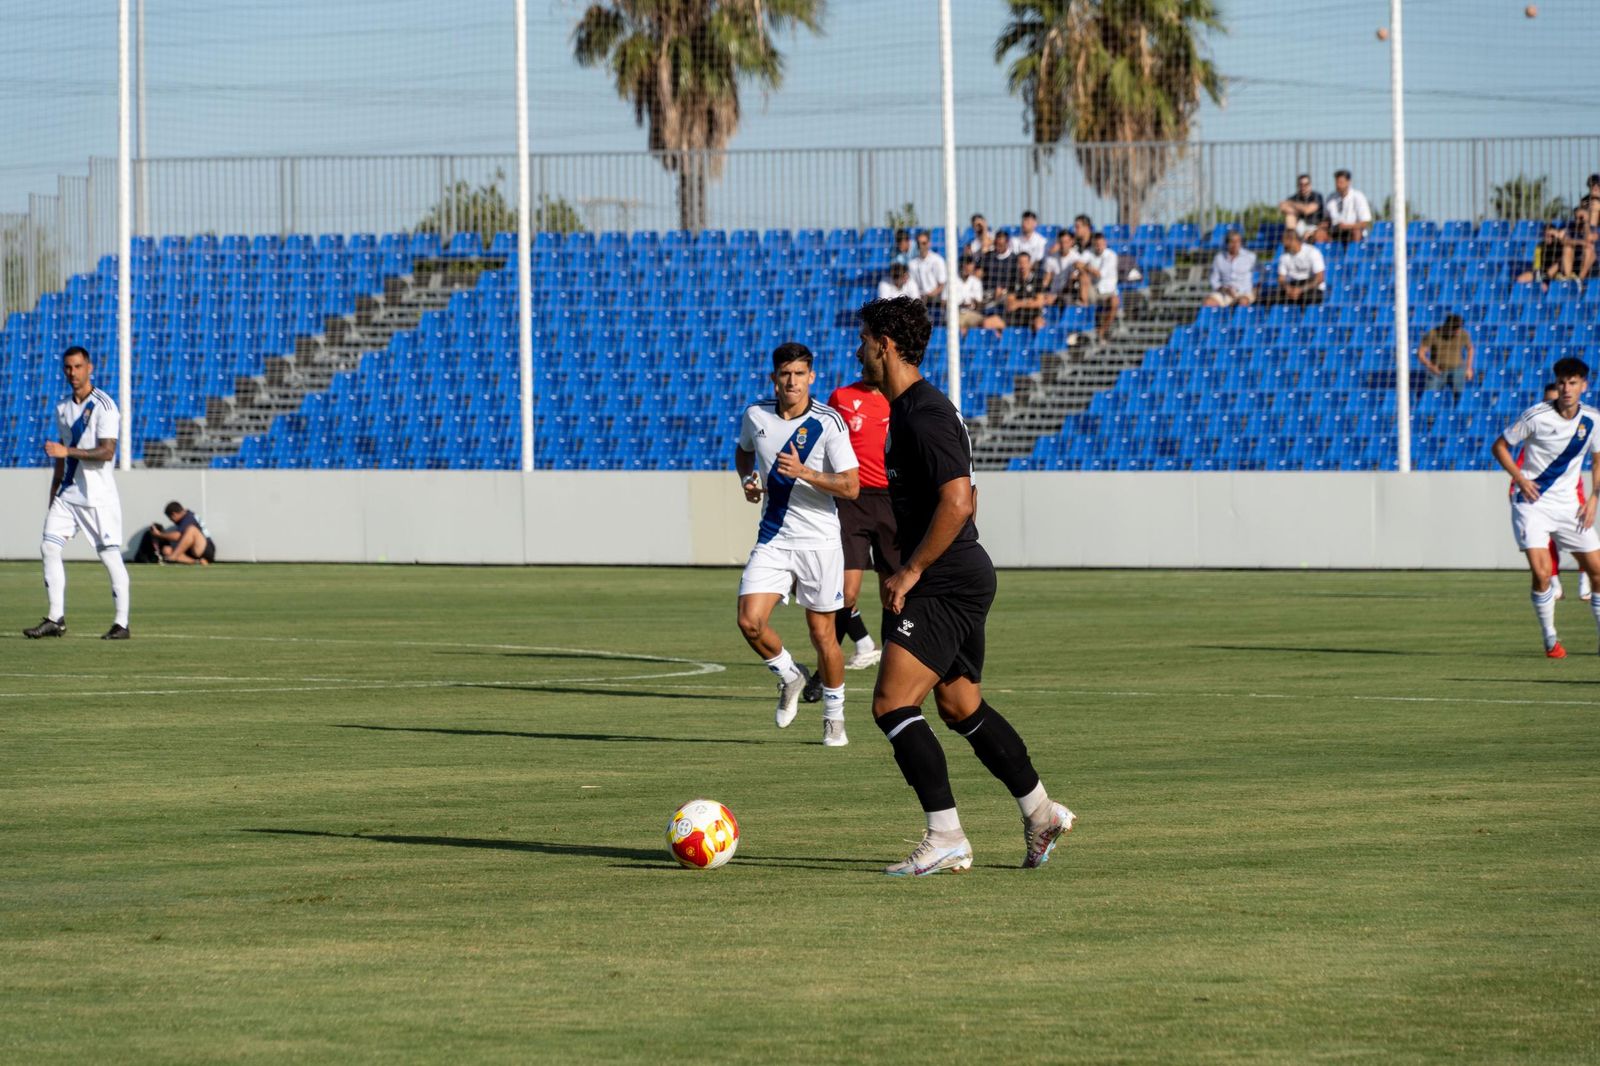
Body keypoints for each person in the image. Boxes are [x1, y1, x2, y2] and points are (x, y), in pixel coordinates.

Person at [853, 296, 1074, 877]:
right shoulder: (911, 411)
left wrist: (913, 570)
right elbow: (962, 497)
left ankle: (946, 834)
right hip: (959, 573)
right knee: (959, 704)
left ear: (885, 345)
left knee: (892, 703)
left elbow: (958, 501)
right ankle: (1041, 810)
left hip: (946, 580)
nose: (858, 352)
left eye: (864, 341)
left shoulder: (922, 412)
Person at [735, 343, 861, 745]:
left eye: (799, 374)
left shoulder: (829, 423)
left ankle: (834, 717)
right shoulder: (756, 415)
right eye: (784, 374)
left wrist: (805, 471)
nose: (792, 381)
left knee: (823, 635)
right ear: (774, 378)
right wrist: (748, 480)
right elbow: (743, 452)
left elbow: (851, 486)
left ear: (811, 377)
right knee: (749, 621)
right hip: (773, 537)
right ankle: (791, 675)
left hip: (820, 542)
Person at [1489, 356, 1600, 659]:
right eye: (1563, 382)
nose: (1566, 388)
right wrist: (1519, 479)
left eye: (1573, 382)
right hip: (1532, 503)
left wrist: (1593, 499)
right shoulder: (1535, 416)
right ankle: (1551, 638)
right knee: (1541, 572)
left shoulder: (1592, 419)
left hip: (1570, 507)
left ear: (1583, 386)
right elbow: (1499, 446)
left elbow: (1597, 460)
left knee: (1598, 572)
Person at [24, 346, 132, 640]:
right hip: (69, 494)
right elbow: (61, 457)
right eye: (68, 368)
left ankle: (122, 623)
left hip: (98, 497)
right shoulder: (62, 408)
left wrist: (67, 450)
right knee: (49, 546)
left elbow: (108, 452)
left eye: (78, 367)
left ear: (90, 368)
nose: (73, 373)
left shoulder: (105, 406)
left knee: (110, 556)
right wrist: (53, 494)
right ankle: (55, 618)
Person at [822, 375, 899, 673]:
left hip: (891, 501)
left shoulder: (898, 399)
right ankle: (832, 664)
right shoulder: (841, 397)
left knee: (891, 592)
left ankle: (891, 664)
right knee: (844, 590)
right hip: (852, 500)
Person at [1515, 382, 1591, 604]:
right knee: (1546, 543)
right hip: (1541, 498)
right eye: (1547, 400)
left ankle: (1584, 583)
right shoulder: (1536, 428)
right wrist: (1518, 486)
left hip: (1570, 493)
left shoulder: (1582, 423)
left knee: (1583, 536)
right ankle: (1555, 584)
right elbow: (1519, 464)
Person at [1416, 314, 1475, 395]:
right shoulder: (1433, 334)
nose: (1457, 331)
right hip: (1438, 370)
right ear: (1447, 326)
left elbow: (1470, 349)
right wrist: (1430, 366)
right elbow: (1421, 353)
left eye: (1459, 328)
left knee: (1460, 395)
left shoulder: (1463, 334)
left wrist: (1468, 368)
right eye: (1455, 329)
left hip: (1457, 369)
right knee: (1429, 394)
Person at [143, 500, 216, 565]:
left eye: (170, 518)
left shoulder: (189, 517)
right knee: (167, 550)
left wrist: (158, 534)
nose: (171, 520)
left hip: (205, 548)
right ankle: (197, 562)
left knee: (191, 529)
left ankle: (173, 558)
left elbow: (177, 536)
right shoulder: (184, 519)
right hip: (193, 551)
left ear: (174, 514)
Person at [1076, 231, 1120, 337]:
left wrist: (1085, 267)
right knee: (1083, 277)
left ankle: (1101, 331)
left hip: (1108, 292)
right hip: (1093, 290)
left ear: (1105, 243)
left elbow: (1099, 274)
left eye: (1101, 244)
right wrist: (1084, 268)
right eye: (1097, 244)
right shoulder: (1089, 252)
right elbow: (1077, 263)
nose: (1099, 247)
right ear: (1093, 244)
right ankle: (1085, 310)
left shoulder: (1111, 255)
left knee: (1115, 302)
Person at [1270, 227, 1326, 306]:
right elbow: (1281, 279)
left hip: (1311, 285)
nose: (1283, 243)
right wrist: (1288, 289)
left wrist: (1301, 290)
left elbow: (1320, 278)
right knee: (1271, 297)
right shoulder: (1284, 256)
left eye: (1284, 240)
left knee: (1310, 297)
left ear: (1291, 239)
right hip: (1293, 284)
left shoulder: (1312, 252)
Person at [1203, 229, 1256, 308]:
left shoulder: (1250, 257)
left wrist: (1255, 290)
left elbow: (1259, 277)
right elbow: (1214, 280)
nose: (1235, 244)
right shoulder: (1219, 258)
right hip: (1224, 293)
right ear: (1227, 243)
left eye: (1238, 241)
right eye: (1232, 242)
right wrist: (1224, 289)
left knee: (1242, 302)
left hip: (1244, 293)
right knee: (1208, 303)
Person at [1001, 252, 1050, 332]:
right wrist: (1029, 301)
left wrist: (1019, 303)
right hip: (1016, 316)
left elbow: (1039, 302)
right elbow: (1011, 304)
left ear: (1030, 264)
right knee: (991, 323)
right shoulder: (1012, 280)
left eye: (1025, 262)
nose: (1022, 265)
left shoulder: (1037, 280)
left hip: (1033, 315)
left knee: (1039, 324)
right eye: (1020, 262)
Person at [1324, 169, 1372, 244]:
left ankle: (1354, 254)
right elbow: (1326, 219)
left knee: (1356, 232)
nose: (1338, 185)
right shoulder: (1331, 198)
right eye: (1336, 182)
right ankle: (1327, 254)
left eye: (1341, 182)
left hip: (1352, 230)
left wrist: (1347, 226)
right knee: (1320, 234)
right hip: (1335, 231)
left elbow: (1366, 222)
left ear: (1348, 182)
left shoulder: (1358, 197)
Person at [905, 230, 947, 307]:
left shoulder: (938, 260)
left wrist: (929, 296)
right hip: (919, 300)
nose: (921, 246)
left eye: (924, 243)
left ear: (929, 243)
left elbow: (942, 284)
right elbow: (912, 284)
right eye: (919, 244)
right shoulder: (912, 264)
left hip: (936, 299)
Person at [1278, 174, 1327, 238]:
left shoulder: (1316, 196)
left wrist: (1293, 206)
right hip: (1298, 226)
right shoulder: (1294, 197)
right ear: (1298, 186)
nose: (1303, 187)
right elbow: (1282, 206)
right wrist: (1300, 209)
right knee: (1290, 216)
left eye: (1306, 184)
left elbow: (1307, 210)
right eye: (1301, 185)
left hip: (1314, 226)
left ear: (1310, 185)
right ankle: (1292, 240)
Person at [1558, 202, 1595, 282]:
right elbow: (1564, 241)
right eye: (1576, 217)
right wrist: (1581, 242)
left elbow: (1590, 239)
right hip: (1575, 260)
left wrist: (1585, 224)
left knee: (1589, 250)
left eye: (1581, 217)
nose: (1579, 220)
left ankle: (1580, 280)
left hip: (1592, 263)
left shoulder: (1594, 229)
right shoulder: (1571, 228)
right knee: (1567, 247)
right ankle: (1568, 279)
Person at [951, 255, 988, 334]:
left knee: (986, 322)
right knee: (960, 327)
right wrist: (958, 305)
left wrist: (974, 303)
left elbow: (979, 303)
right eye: (965, 264)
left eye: (969, 264)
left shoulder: (976, 282)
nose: (967, 267)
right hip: (955, 314)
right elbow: (944, 302)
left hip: (972, 313)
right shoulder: (952, 280)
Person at [978, 229, 1018, 295]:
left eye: (1001, 244)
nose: (998, 247)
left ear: (1007, 243)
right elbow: (978, 273)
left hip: (1006, 294)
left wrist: (1004, 290)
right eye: (996, 244)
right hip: (988, 293)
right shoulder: (987, 257)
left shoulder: (1014, 259)